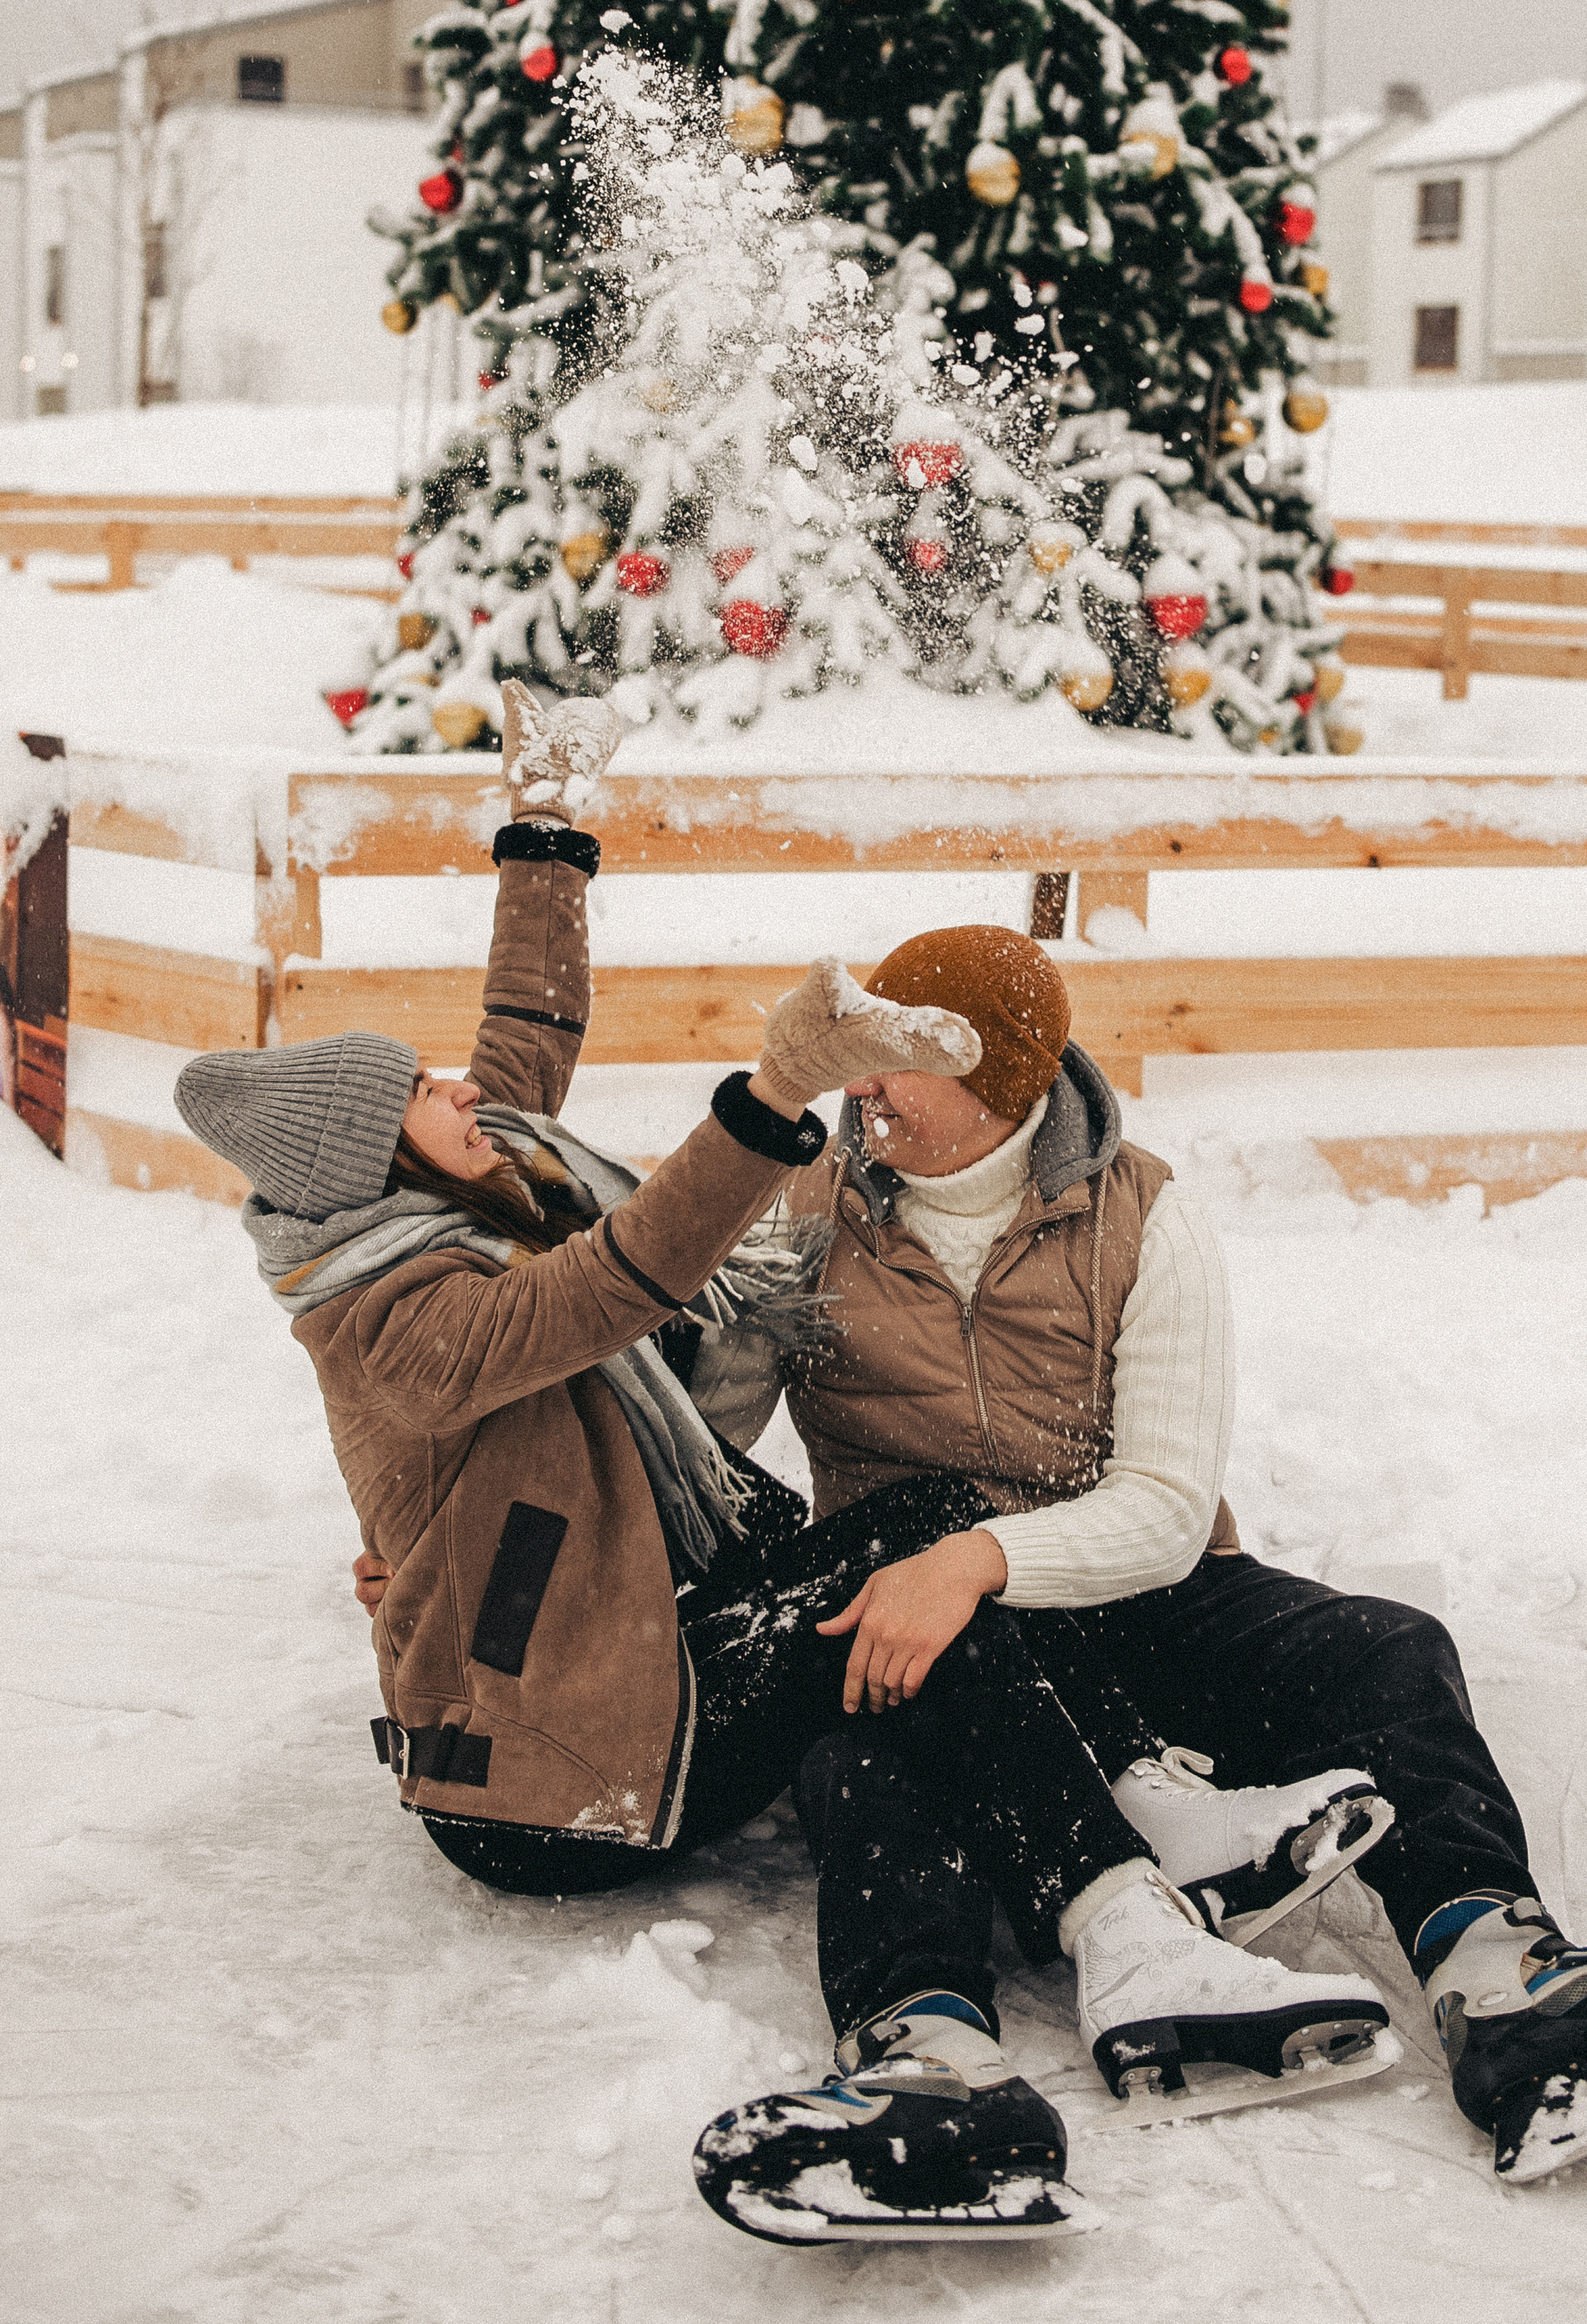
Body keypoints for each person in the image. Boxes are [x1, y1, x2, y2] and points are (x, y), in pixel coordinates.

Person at [182, 684, 1397, 2244]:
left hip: (620, 1647)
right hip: (554, 1784)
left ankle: (1127, 1891)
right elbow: (615, 1287)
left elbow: (523, 1035)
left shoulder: (484, 1184)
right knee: (925, 1550)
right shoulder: (400, 1316)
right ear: (375, 1168)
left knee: (926, 1563)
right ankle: (1129, 1884)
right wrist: (769, 1098)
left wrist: (545, 824)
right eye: (422, 1099)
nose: (461, 1093)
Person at [688, 921, 1587, 2188]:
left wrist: (982, 1556)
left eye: (896, 1057)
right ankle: (924, 2059)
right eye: (860, 1050)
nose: (862, 1082)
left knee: (1388, 1650)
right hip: (938, 1627)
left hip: (1135, 1591)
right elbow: (694, 1450)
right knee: (863, 1747)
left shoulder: (1142, 1214)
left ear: (1001, 1083)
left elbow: (1165, 1508)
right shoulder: (798, 1212)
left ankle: (1505, 1985)